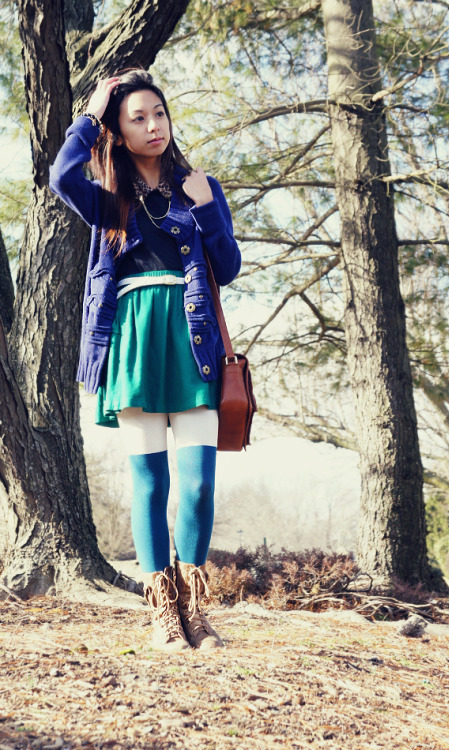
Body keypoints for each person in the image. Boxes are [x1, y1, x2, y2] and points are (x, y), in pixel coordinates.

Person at [49, 68, 241, 652]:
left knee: (200, 485)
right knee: (150, 481)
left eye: (159, 113)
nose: (153, 125)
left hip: (193, 344)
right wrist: (92, 111)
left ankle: (195, 607)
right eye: (137, 117)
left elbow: (227, 269)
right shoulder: (109, 197)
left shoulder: (200, 187)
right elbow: (60, 175)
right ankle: (162, 613)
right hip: (133, 342)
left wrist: (207, 211)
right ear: (119, 130)